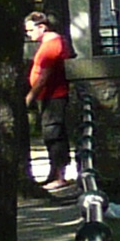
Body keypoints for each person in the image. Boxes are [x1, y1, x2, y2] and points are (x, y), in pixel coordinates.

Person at [25, 11, 75, 188]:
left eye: (30, 30)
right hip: (49, 95)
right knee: (51, 134)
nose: (28, 34)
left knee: (54, 134)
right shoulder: (52, 43)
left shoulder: (51, 46)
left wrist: (30, 96)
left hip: (53, 96)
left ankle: (59, 176)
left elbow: (44, 77)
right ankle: (54, 173)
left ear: (42, 27)